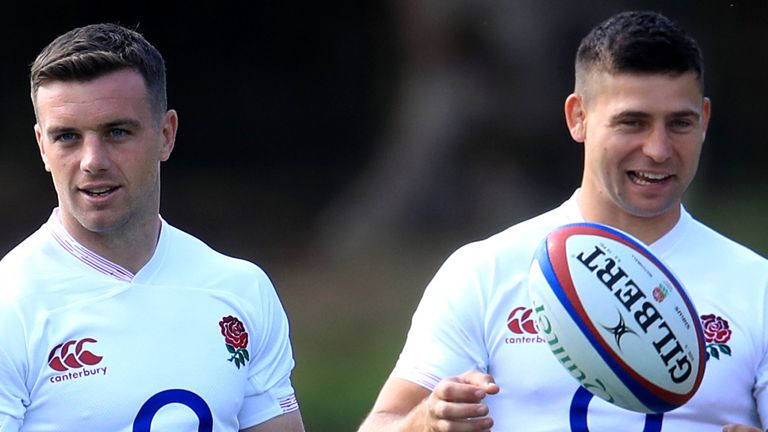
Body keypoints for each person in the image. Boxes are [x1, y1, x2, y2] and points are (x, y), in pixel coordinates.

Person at [357, 10, 768, 432]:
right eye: (633, 122)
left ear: (705, 120)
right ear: (578, 117)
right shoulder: (486, 271)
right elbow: (381, 424)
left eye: (680, 123)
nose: (659, 149)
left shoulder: (757, 289)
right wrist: (427, 420)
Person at [0, 23, 305, 431]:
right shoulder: (11, 306)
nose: (93, 161)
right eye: (68, 137)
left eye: (117, 132)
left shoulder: (240, 290)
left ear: (166, 135)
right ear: (42, 147)